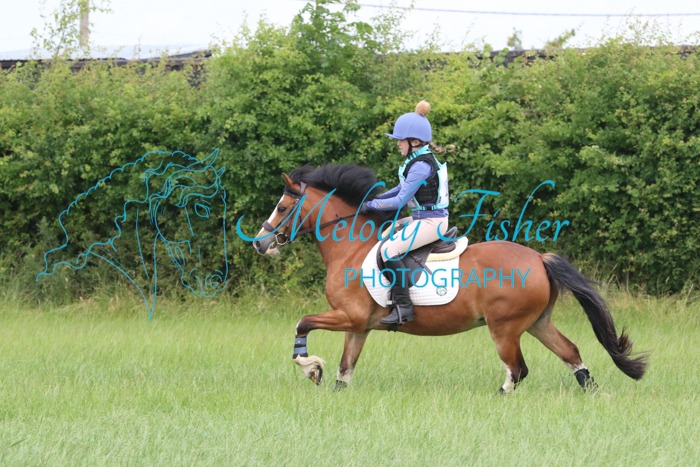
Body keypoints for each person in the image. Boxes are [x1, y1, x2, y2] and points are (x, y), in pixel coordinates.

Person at [362, 100, 450, 326]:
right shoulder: (416, 161)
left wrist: (372, 205)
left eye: (400, 140)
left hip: (431, 222)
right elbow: (400, 189)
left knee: (390, 251)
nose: (398, 143)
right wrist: (372, 199)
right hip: (421, 218)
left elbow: (400, 200)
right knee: (386, 235)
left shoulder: (420, 166)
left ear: (415, 142)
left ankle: (404, 307)